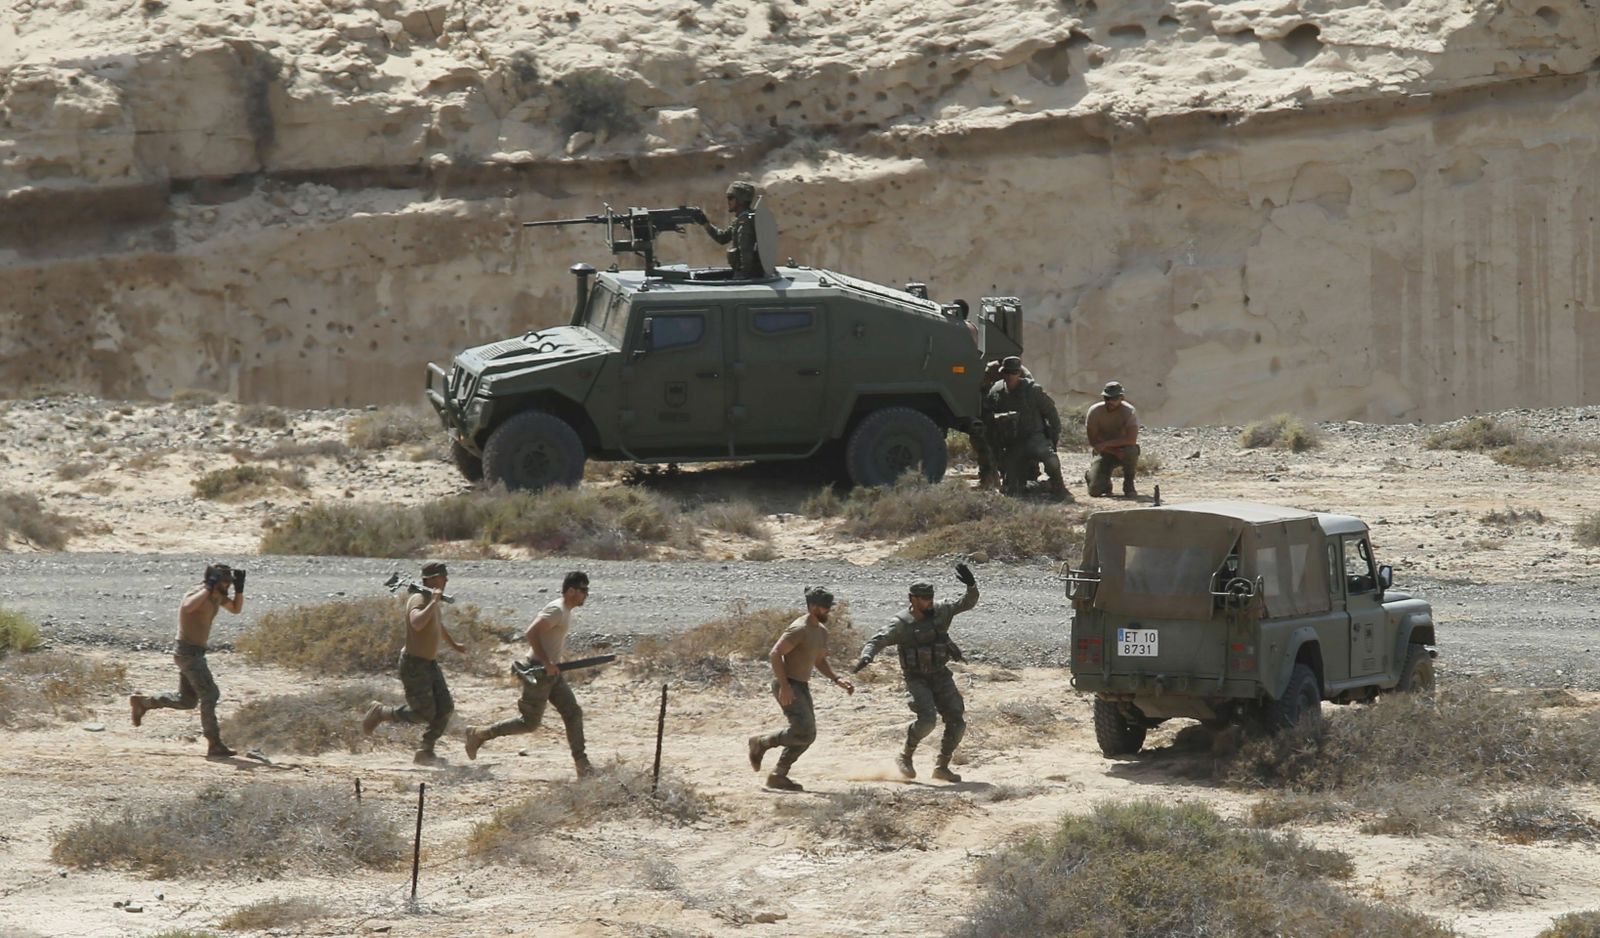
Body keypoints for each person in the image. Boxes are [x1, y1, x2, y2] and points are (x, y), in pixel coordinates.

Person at [853, 565, 979, 782]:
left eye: (930, 597)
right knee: (927, 720)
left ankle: (942, 766)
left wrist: (971, 585)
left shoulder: (942, 610)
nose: (929, 601)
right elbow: (878, 639)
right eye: (923, 598)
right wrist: (867, 656)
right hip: (917, 678)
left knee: (957, 721)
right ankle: (905, 756)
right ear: (912, 599)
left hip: (940, 675)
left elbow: (966, 603)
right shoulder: (901, 624)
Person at [463, 571, 593, 778]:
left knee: (572, 712)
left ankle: (582, 765)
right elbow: (531, 632)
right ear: (571, 591)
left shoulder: (565, 610)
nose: (586, 594)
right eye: (583, 590)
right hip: (539, 672)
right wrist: (547, 661)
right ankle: (479, 734)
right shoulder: (557, 610)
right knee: (529, 723)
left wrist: (552, 663)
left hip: (552, 673)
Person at [129, 563, 246, 758]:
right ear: (214, 580)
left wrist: (240, 590)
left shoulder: (218, 596)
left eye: (230, 583)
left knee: (187, 700)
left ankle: (144, 703)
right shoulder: (199, 593)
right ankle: (214, 743)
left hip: (195, 653)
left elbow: (235, 609)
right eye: (225, 582)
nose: (228, 586)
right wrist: (208, 586)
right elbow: (187, 606)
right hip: (187, 653)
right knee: (210, 694)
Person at [748, 586, 854, 792]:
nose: (827, 612)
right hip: (787, 683)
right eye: (823, 608)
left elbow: (819, 660)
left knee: (808, 734)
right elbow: (775, 654)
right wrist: (785, 686)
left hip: (801, 685)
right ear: (812, 606)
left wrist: (836, 679)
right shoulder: (799, 629)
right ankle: (760, 743)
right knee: (803, 731)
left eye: (829, 608)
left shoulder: (821, 632)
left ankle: (778, 775)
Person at [362, 561, 467, 765]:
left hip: (429, 663)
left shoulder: (430, 599)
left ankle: (425, 751)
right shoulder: (419, 598)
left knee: (445, 707)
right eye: (441, 577)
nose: (446, 580)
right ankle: (381, 712)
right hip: (414, 665)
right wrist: (433, 602)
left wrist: (454, 644)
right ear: (430, 579)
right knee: (423, 713)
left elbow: (436, 623)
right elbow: (417, 623)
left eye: (445, 577)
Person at [985, 356, 1068, 500]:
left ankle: (1059, 487)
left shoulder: (1033, 390)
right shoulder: (996, 391)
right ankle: (1041, 486)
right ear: (1002, 373)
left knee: (1051, 460)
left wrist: (1053, 438)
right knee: (1012, 491)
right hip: (1013, 444)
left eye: (1014, 373)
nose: (1010, 376)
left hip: (1034, 438)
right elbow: (988, 417)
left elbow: (1051, 412)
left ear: (1019, 373)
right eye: (1007, 373)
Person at [1085, 380, 1141, 498]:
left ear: (1122, 398)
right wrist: (1111, 450)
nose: (1110, 402)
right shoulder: (1095, 411)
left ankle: (1129, 484)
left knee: (1132, 450)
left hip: (1123, 450)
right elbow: (1093, 441)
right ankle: (1094, 477)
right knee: (1095, 492)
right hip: (1104, 453)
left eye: (1114, 399)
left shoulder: (1129, 411)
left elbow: (1131, 439)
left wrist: (1106, 444)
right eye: (1107, 398)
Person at [700, 180, 764, 278]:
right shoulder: (742, 219)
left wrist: (743, 276)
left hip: (747, 274)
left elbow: (746, 251)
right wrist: (704, 223)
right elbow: (722, 238)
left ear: (741, 200)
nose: (728, 202)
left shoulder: (745, 221)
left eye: (730, 198)